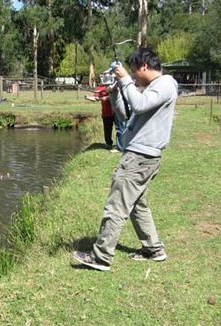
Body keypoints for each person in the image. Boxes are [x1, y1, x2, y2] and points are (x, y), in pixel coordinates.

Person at [73, 48, 178, 271]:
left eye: (134, 71)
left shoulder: (165, 84)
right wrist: (114, 91)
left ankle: (101, 257)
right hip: (140, 155)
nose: (134, 75)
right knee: (137, 205)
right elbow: (126, 115)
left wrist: (126, 80)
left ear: (144, 67)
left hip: (140, 157)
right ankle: (153, 249)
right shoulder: (149, 88)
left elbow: (139, 105)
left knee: (116, 205)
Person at [93, 77, 115, 150]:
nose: (103, 78)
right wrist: (91, 98)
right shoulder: (99, 88)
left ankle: (121, 144)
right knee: (107, 129)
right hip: (106, 112)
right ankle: (108, 144)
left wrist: (107, 97)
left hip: (116, 112)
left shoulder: (114, 85)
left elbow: (117, 94)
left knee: (120, 128)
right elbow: (95, 96)